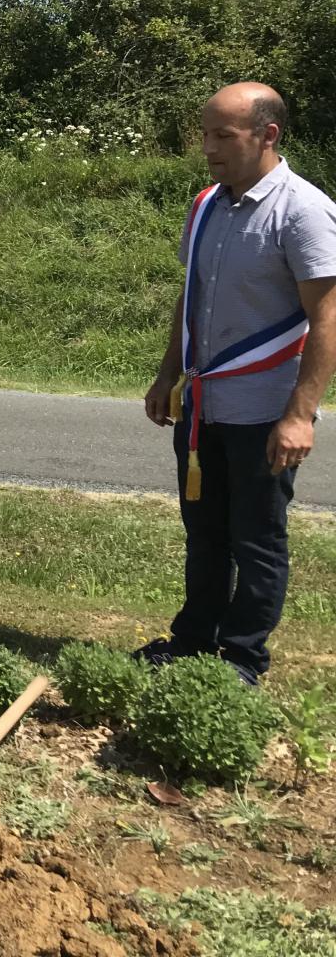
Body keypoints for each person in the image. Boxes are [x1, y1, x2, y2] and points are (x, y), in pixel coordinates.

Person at [141, 82, 336, 685]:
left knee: (256, 540)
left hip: (264, 414)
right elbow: (191, 294)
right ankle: (193, 642)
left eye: (222, 135)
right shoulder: (206, 205)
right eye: (205, 134)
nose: (208, 147)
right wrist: (167, 373)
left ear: (267, 134)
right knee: (204, 535)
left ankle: (242, 658)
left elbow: (327, 316)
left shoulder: (303, 210)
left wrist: (300, 414)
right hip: (204, 408)